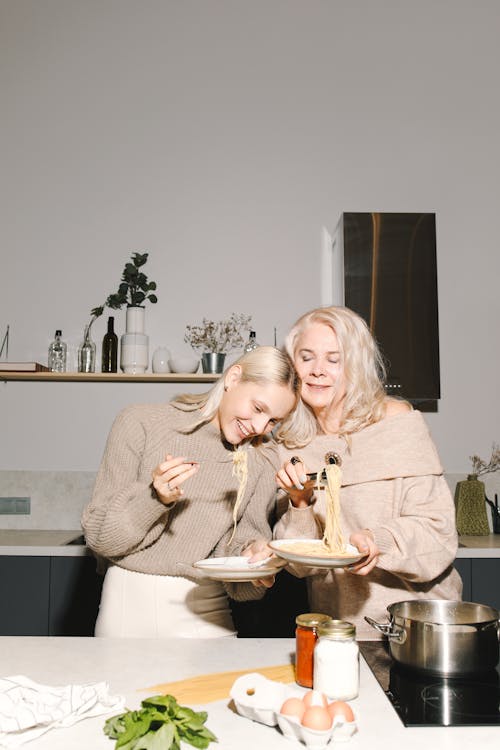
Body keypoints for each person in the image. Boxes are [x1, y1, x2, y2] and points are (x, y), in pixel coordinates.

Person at [81, 346, 300, 638]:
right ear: (233, 378)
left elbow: (244, 587)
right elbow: (101, 539)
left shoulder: (261, 458)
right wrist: (154, 499)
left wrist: (256, 561)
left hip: (207, 614)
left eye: (273, 421)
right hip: (126, 610)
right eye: (258, 408)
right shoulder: (141, 423)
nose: (260, 427)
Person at [271, 306, 462, 639]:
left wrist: (378, 541)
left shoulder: (396, 421)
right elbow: (301, 565)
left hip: (418, 626)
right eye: (306, 357)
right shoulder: (290, 444)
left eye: (334, 359)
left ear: (355, 365)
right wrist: (299, 504)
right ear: (292, 366)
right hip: (338, 628)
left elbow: (438, 535)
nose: (318, 370)